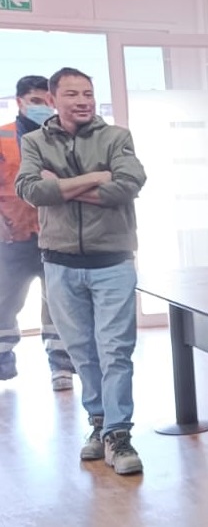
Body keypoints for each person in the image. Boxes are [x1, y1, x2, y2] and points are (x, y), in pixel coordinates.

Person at [15, 67, 147, 476]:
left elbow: (128, 184)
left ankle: (119, 434)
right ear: (53, 99)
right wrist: (94, 178)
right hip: (60, 263)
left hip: (113, 262)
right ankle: (99, 424)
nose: (83, 101)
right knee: (82, 353)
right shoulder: (34, 142)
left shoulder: (116, 137)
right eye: (72, 94)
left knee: (116, 350)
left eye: (87, 93)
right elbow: (31, 190)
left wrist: (63, 187)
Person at [0, 75, 74, 390]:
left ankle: (62, 367)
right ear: (20, 102)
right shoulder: (2, 137)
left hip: (54, 235)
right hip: (12, 236)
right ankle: (2, 364)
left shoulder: (61, 138)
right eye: (35, 100)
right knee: (4, 302)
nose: (42, 106)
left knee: (58, 303)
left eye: (47, 100)